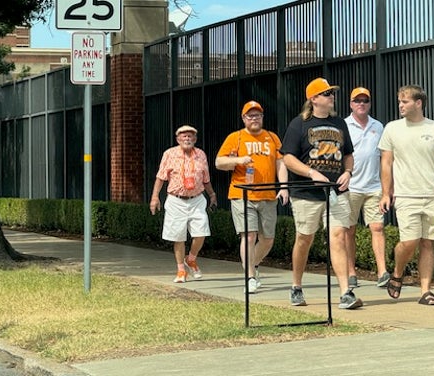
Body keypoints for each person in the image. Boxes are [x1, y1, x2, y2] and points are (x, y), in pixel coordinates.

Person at [280, 77, 363, 309]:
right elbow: (287, 157)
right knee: (305, 239)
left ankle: (346, 292)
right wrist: (311, 173)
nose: (331, 96)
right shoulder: (299, 124)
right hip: (306, 193)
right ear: (314, 99)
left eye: (332, 93)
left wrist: (348, 171)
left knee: (338, 237)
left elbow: (348, 154)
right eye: (326, 93)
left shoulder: (339, 123)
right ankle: (296, 286)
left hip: (336, 191)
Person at [378, 85, 434, 306]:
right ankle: (398, 272)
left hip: (433, 195)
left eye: (405, 102)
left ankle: (425, 291)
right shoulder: (392, 129)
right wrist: (386, 193)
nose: (400, 105)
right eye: (400, 102)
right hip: (405, 195)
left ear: (418, 103)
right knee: (409, 242)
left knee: (428, 243)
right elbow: (386, 162)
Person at [215, 100, 289, 293]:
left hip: (268, 195)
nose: (254, 119)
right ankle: (249, 277)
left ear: (262, 118)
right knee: (248, 236)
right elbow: (218, 162)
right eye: (250, 116)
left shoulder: (272, 138)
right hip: (242, 194)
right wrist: (238, 160)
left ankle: (252, 265)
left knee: (268, 239)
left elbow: (280, 163)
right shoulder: (236, 137)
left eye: (258, 115)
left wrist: (284, 187)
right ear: (244, 118)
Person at [150, 125, 218, 283]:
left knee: (201, 233)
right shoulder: (169, 154)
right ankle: (181, 270)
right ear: (178, 139)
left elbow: (206, 178)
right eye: (184, 136)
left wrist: (212, 194)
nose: (187, 139)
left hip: (197, 199)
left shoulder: (201, 154)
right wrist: (155, 197)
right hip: (176, 200)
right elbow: (161, 177)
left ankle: (191, 258)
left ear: (195, 139)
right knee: (178, 236)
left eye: (190, 136)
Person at [344, 87, 390, 288]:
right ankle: (351, 272)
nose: (361, 104)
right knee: (349, 230)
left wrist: (387, 190)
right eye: (357, 100)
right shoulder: (344, 126)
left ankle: (382, 272)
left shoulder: (378, 126)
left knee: (377, 227)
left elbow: (386, 159)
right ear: (351, 104)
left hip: (374, 186)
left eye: (365, 100)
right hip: (351, 186)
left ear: (370, 103)